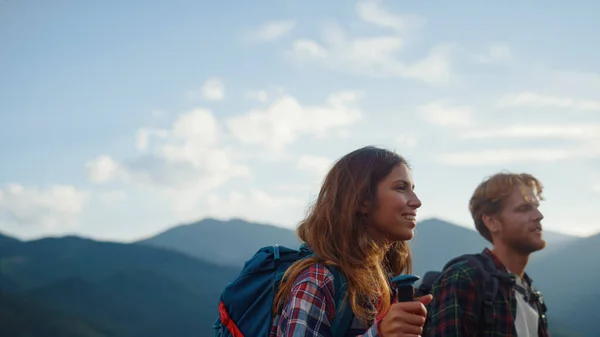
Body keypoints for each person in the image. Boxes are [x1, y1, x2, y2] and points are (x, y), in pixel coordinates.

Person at [270, 146, 432, 337]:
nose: (416, 201)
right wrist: (380, 334)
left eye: (412, 189)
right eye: (400, 188)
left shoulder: (384, 285)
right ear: (363, 200)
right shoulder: (318, 281)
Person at [423, 172, 550, 337]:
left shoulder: (530, 293)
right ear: (491, 222)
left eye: (536, 207)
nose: (539, 216)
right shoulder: (466, 277)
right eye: (524, 208)